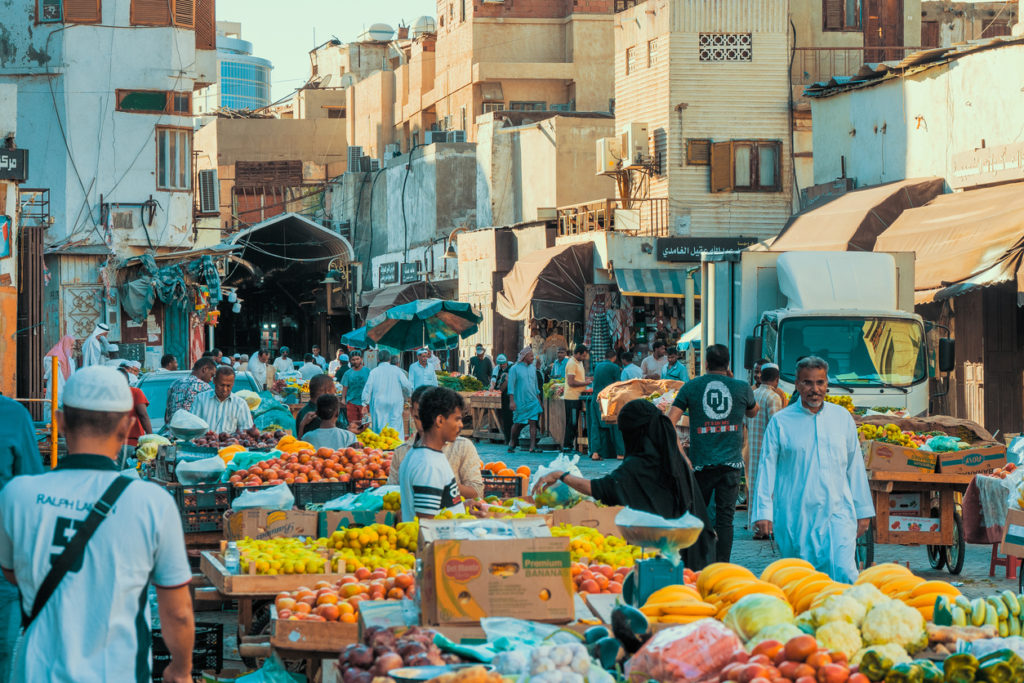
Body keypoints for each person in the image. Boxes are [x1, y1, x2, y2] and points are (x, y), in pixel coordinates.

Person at [0, 365, 194, 682]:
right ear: (127, 425)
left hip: (36, 672)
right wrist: (180, 669)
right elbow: (179, 612)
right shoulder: (152, 503)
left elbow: (12, 573)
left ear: (60, 423)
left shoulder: (17, 496)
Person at [533, 399, 715, 569]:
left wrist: (561, 475)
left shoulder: (639, 464)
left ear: (633, 433)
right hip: (691, 551)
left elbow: (600, 489)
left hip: (662, 558)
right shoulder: (670, 456)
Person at [753, 356, 874, 583]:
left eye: (820, 383)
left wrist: (864, 511)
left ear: (827, 384)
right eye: (807, 383)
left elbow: (855, 467)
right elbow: (766, 468)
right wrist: (763, 513)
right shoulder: (781, 422)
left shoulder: (842, 418)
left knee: (844, 573)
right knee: (801, 581)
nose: (814, 389)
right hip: (795, 516)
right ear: (797, 385)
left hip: (838, 514)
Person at [667, 344, 757, 564]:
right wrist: (733, 381)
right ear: (728, 364)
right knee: (726, 520)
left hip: (700, 465)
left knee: (697, 516)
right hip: (731, 466)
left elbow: (668, 422)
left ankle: (696, 564)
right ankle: (722, 566)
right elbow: (753, 412)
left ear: (705, 364)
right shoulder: (742, 387)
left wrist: (683, 456)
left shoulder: (691, 387)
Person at [0, 394, 43, 681]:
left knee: (3, 650)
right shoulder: (13, 415)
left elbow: (31, 492)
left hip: (3, 566)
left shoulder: (13, 415)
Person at [387, 385, 485, 500]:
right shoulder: (409, 454)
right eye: (456, 419)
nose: (461, 425)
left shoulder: (461, 447)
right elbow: (426, 514)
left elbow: (476, 492)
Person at [398, 387, 467, 520]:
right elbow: (428, 525)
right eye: (457, 419)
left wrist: (463, 506)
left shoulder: (422, 455)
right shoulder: (428, 465)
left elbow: (438, 507)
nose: (461, 425)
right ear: (440, 420)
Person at [746, 363, 785, 539]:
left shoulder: (753, 394)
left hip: (753, 446)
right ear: (776, 379)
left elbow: (745, 421)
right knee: (769, 488)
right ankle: (768, 528)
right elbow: (776, 426)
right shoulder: (773, 397)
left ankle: (755, 526)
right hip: (768, 450)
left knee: (754, 486)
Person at [362, 349, 413, 440]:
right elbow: (407, 385)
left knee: (380, 427)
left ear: (378, 359)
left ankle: (381, 449)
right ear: (389, 359)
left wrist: (364, 403)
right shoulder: (397, 371)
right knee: (395, 425)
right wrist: (408, 395)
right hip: (395, 402)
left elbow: (367, 388)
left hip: (379, 403)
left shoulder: (374, 372)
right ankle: (396, 448)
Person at [189, 366, 254, 433]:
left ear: (233, 383)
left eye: (228, 386)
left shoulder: (240, 404)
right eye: (222, 385)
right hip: (203, 442)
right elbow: (192, 425)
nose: (225, 389)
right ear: (214, 381)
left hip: (230, 443)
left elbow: (246, 431)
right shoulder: (201, 399)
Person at [589, 347, 625, 461]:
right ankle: (620, 453)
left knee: (596, 425)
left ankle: (595, 452)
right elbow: (618, 385)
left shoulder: (598, 366)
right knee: (615, 425)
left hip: (596, 399)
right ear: (614, 358)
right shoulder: (614, 367)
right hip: (608, 399)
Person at [507, 347, 543, 453]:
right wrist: (512, 401)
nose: (533, 358)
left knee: (533, 423)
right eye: (531, 356)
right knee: (517, 423)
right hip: (520, 401)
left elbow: (536, 386)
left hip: (533, 400)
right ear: (524, 357)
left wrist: (539, 400)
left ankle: (532, 446)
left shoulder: (533, 368)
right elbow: (511, 386)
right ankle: (512, 442)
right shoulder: (514, 369)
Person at [164, 357, 216, 425]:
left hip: (171, 431)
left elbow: (167, 412)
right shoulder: (205, 387)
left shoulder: (175, 383)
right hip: (192, 432)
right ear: (204, 369)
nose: (211, 379)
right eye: (211, 375)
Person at [562, 345, 591, 455]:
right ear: (578, 353)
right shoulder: (572, 363)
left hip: (577, 396)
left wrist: (587, 379)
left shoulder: (579, 363)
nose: (584, 357)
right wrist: (585, 383)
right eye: (583, 355)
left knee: (574, 422)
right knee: (572, 422)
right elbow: (571, 382)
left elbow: (578, 379)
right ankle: (567, 446)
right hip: (572, 398)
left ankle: (570, 445)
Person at [118, 364, 152, 449]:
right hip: (132, 444)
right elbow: (143, 415)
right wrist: (151, 437)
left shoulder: (108, 395)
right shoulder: (135, 392)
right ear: (128, 382)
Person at [338, 352, 370, 431]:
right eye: (353, 360)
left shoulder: (368, 371)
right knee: (353, 425)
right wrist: (343, 398)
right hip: (351, 402)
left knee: (365, 425)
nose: (355, 361)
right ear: (350, 361)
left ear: (361, 359)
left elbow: (371, 386)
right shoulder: (348, 373)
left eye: (357, 359)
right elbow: (345, 387)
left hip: (365, 404)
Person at [43, 335, 76, 407]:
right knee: (52, 409)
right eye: (71, 344)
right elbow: (47, 374)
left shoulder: (69, 359)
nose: (72, 347)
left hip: (66, 390)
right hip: (55, 388)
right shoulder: (52, 356)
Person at [490, 354, 513, 444]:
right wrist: (492, 386)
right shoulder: (496, 368)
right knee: (501, 414)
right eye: (500, 364)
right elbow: (493, 379)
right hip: (501, 393)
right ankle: (502, 432)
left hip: (510, 392)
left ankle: (509, 436)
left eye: (503, 364)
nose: (502, 365)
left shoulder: (512, 366)